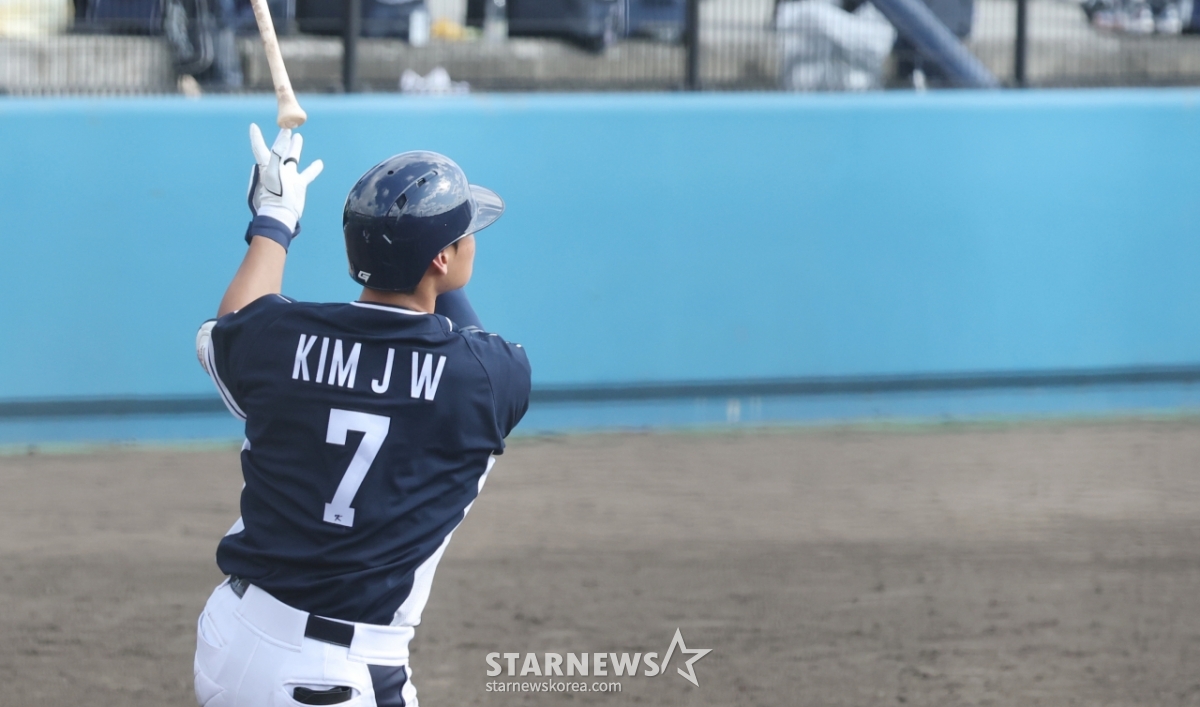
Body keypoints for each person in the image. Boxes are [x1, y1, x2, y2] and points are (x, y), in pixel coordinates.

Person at [192, 124, 531, 707]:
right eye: (464, 233)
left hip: (231, 638)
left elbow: (232, 323)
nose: (473, 239)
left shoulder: (279, 334)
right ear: (442, 259)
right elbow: (457, 338)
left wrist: (275, 219)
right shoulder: (488, 375)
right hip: (332, 675)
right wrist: (423, 264)